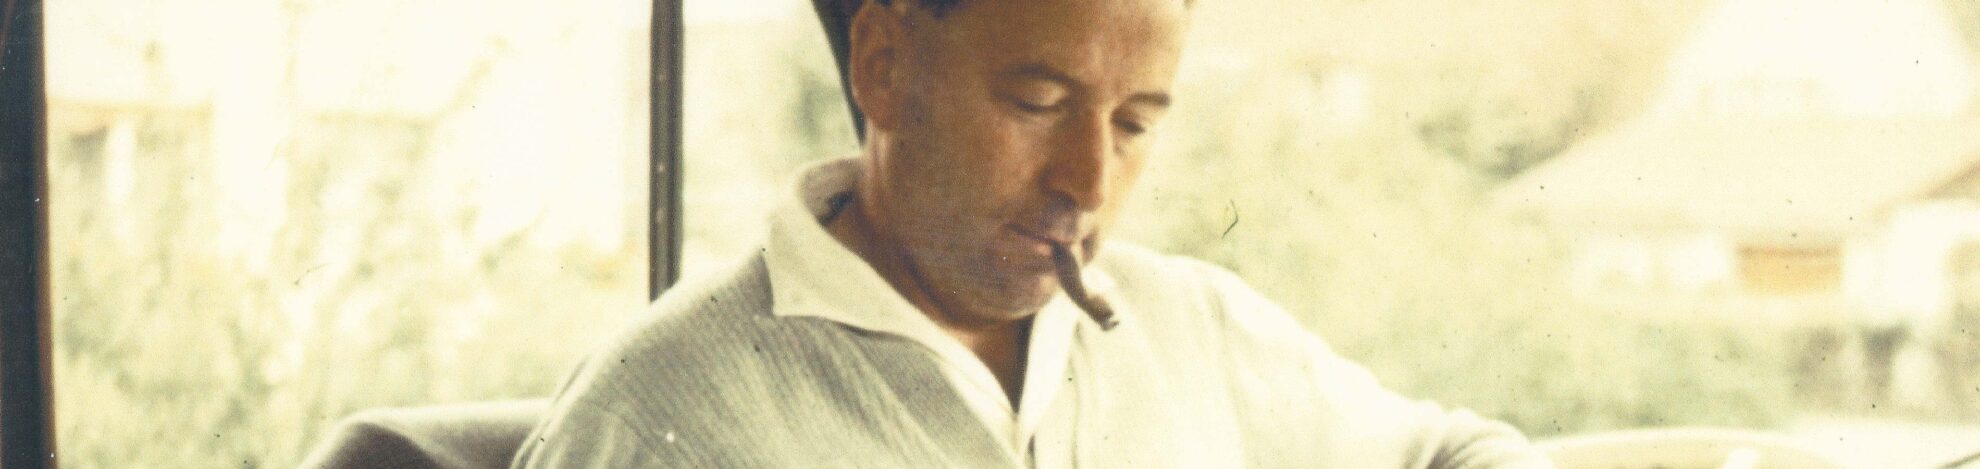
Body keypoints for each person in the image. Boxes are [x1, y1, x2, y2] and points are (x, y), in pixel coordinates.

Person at [512, 0, 1552, 467]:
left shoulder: (1192, 328)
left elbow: (1452, 453)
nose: (1089, 181)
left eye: (1135, 123)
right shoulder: (655, 419)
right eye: (1038, 101)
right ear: (883, 66)